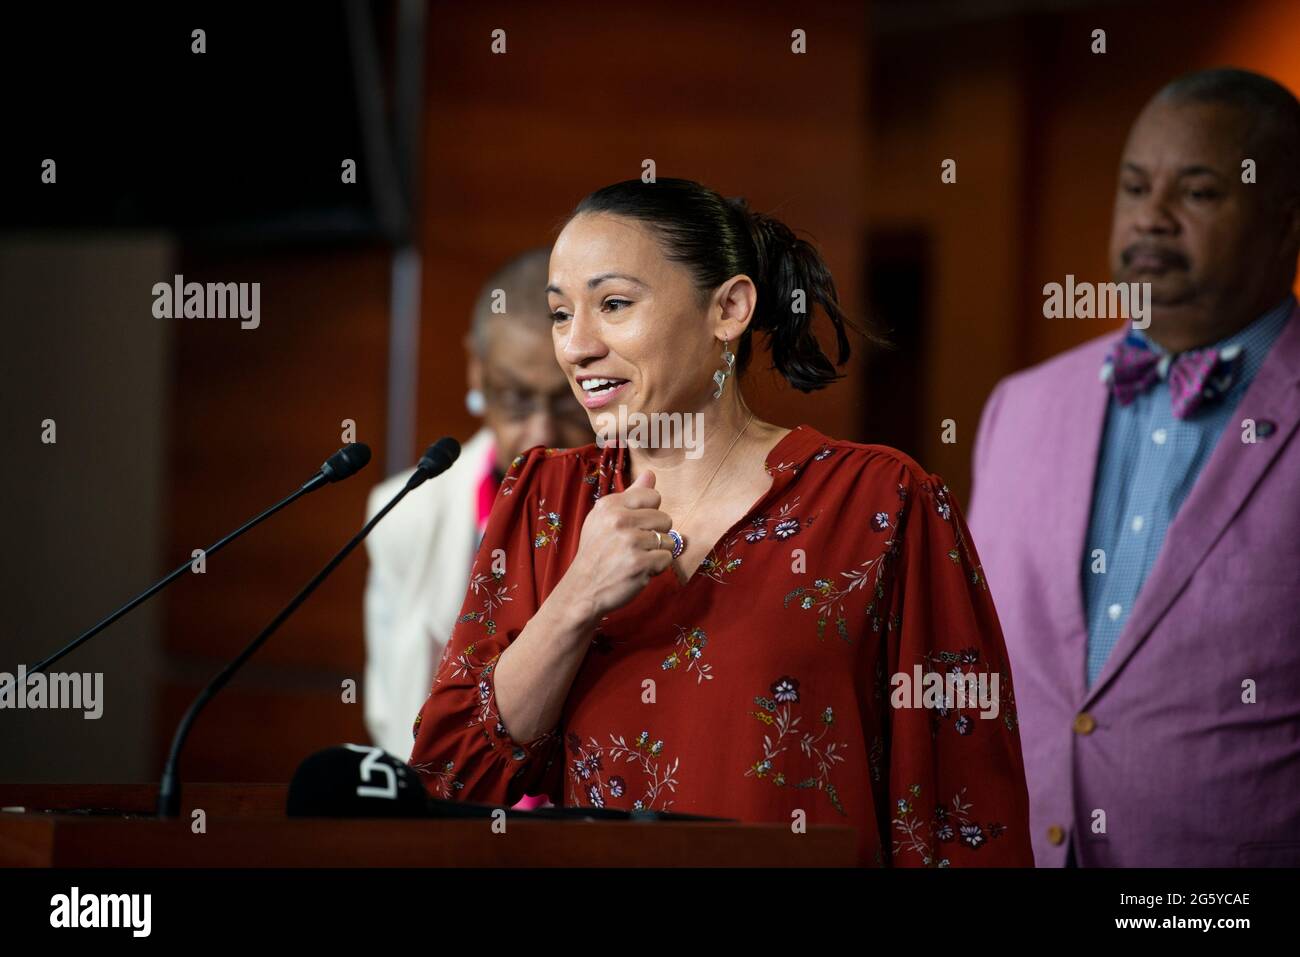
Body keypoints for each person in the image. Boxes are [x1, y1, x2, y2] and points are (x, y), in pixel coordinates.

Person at [407, 177, 1034, 867]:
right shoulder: (544, 499)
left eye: (613, 304)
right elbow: (449, 777)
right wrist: (576, 599)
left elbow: (963, 810)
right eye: (561, 314)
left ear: (729, 308)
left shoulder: (881, 501)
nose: (576, 347)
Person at [969, 68, 1300, 866]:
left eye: (1198, 192)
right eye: (1134, 186)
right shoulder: (1020, 404)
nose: (1151, 218)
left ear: (1287, 224)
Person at [363, 248, 591, 777]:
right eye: (515, 398)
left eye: (565, 402)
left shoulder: (649, 500)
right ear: (477, 370)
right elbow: (393, 707)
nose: (539, 432)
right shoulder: (406, 512)